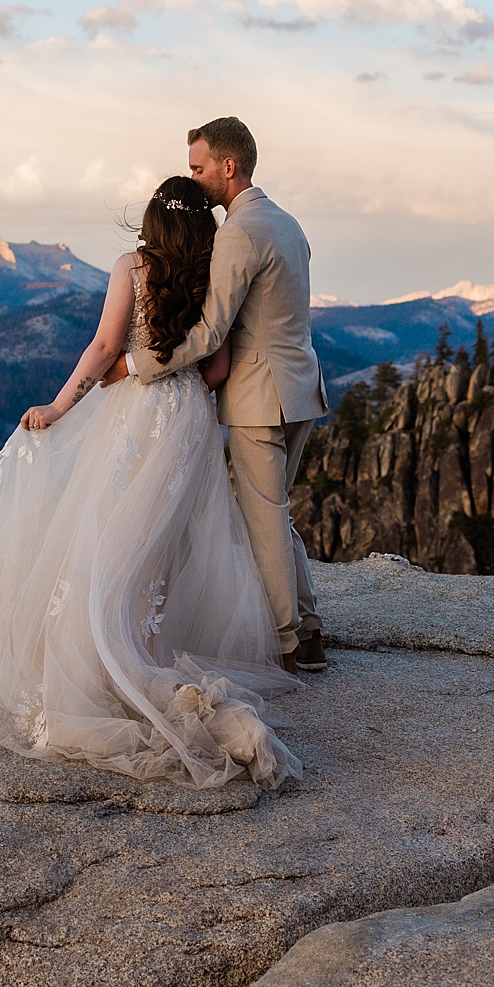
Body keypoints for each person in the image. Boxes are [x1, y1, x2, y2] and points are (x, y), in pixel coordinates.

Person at [0, 173, 302, 790]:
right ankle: (146, 642)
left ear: (151, 221)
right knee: (158, 543)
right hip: (188, 422)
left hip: (135, 416)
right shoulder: (213, 271)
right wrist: (184, 396)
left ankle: (106, 653)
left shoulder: (131, 268)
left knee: (106, 531)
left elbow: (102, 346)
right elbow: (218, 366)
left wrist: (60, 409)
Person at [116, 117, 330, 673]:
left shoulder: (239, 231)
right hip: (302, 385)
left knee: (263, 518)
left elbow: (211, 333)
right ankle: (308, 628)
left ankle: (287, 644)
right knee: (275, 512)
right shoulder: (288, 223)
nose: (196, 178)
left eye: (199, 167)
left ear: (227, 167)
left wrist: (139, 364)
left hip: (262, 394)